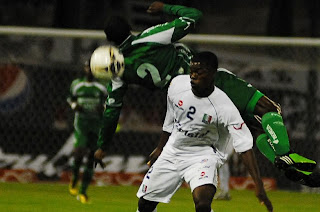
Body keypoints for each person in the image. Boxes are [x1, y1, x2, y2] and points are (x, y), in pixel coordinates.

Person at [94, 1, 319, 187]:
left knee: (254, 127)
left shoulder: (118, 73)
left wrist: (103, 146)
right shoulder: (148, 38)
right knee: (269, 109)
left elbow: (112, 111)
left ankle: (285, 165)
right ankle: (284, 155)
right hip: (208, 81)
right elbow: (193, 15)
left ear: (111, 42)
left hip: (187, 105)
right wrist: (166, 8)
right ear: (128, 29)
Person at [136, 52, 273, 212]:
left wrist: (258, 185)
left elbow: (244, 147)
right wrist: (160, 148)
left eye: (199, 72)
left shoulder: (224, 106)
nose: (193, 76)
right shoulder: (177, 85)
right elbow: (170, 118)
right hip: (173, 152)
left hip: (204, 155)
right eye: (192, 71)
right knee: (145, 205)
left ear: (213, 74)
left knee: (202, 203)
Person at [67, 60, 108, 203]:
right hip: (81, 125)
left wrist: (102, 108)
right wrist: (74, 106)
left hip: (96, 125)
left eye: (92, 68)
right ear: (84, 69)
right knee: (79, 153)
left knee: (92, 158)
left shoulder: (101, 87)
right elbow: (70, 99)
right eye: (87, 67)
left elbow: (107, 104)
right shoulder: (77, 84)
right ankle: (74, 178)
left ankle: (83, 192)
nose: (89, 70)